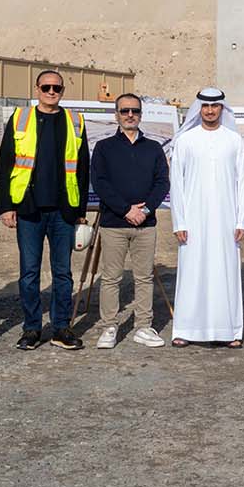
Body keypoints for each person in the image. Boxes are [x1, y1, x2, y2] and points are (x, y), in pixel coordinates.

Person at [0, 70, 90, 351]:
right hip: (29, 210)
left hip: (63, 211)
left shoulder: (75, 121)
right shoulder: (20, 118)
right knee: (29, 273)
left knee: (63, 273)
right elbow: (5, 164)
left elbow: (83, 168)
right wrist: (6, 207)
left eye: (57, 88)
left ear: (62, 90)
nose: (52, 92)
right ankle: (32, 329)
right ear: (37, 88)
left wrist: (81, 210)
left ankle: (61, 327)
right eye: (47, 87)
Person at [89, 91, 170, 349]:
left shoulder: (153, 148)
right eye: (124, 111)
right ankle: (109, 326)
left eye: (134, 111)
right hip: (114, 224)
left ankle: (143, 326)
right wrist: (126, 210)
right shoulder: (104, 148)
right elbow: (100, 183)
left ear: (141, 115)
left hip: (146, 226)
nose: (130, 115)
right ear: (116, 115)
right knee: (111, 277)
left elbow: (161, 183)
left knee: (144, 277)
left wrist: (144, 212)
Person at [170, 88, 244, 347]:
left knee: (225, 272)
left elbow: (242, 184)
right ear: (199, 109)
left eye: (215, 106)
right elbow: (177, 185)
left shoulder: (234, 141)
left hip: (227, 221)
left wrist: (241, 220)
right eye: (206, 106)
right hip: (193, 220)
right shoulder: (185, 140)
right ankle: (185, 330)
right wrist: (179, 222)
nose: (211, 111)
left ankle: (230, 332)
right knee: (193, 271)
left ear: (222, 109)